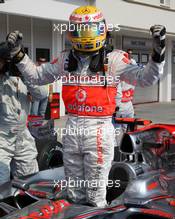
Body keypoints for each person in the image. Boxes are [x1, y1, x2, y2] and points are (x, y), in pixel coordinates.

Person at [5, 6, 166, 207]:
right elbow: (37, 76)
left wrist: (158, 53)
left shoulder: (115, 59)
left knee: (95, 195)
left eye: (90, 30)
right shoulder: (65, 59)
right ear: (71, 32)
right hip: (72, 128)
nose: (85, 36)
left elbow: (146, 78)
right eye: (80, 30)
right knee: (74, 192)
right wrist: (18, 55)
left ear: (102, 30)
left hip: (98, 131)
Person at [0, 42, 48, 185]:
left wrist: (24, 73)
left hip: (22, 136)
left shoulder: (24, 80)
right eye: (4, 61)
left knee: (30, 181)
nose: (9, 64)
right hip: (2, 136)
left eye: (12, 61)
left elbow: (42, 93)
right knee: (1, 182)